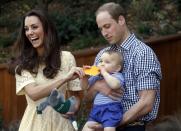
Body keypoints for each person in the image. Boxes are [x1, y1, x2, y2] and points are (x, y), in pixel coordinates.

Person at [85, 2, 162, 131]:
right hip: (101, 121)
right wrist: (96, 86)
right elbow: (86, 97)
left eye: (107, 26)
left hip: (131, 127)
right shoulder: (101, 56)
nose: (104, 33)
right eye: (101, 29)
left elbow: (146, 103)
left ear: (121, 20)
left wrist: (112, 124)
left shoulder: (143, 53)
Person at [9, 8, 84, 131]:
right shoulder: (22, 65)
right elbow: (34, 93)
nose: (29, 32)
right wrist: (65, 78)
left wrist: (72, 108)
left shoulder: (67, 58)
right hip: (34, 126)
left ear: (46, 29)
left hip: (62, 125)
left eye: (34, 27)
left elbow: (75, 96)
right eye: (26, 29)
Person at [82, 50, 125, 131]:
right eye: (101, 61)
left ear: (117, 68)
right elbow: (85, 87)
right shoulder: (97, 77)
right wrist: (84, 77)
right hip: (96, 109)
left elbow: (115, 85)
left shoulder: (117, 76)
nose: (102, 64)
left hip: (111, 109)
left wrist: (104, 73)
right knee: (86, 127)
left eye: (107, 62)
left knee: (109, 128)